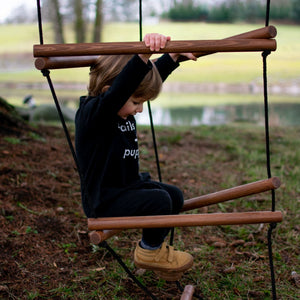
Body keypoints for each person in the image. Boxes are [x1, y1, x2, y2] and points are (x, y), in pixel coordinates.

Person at [75, 33, 197, 280]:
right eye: (136, 102)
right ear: (111, 91)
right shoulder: (94, 115)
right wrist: (142, 55)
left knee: (174, 196)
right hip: (105, 200)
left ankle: (157, 253)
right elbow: (124, 88)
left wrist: (171, 57)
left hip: (127, 187)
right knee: (160, 201)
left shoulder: (120, 108)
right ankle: (149, 252)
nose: (139, 109)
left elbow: (143, 82)